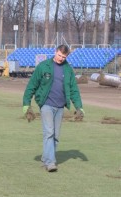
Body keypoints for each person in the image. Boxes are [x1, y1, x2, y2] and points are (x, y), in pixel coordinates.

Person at [22, 44, 84, 172]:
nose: (61, 58)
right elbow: (32, 85)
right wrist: (26, 103)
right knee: (49, 132)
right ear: (55, 52)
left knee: (55, 135)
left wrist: (79, 107)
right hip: (46, 104)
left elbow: (74, 90)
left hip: (60, 106)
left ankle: (46, 158)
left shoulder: (68, 70)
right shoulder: (43, 66)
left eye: (64, 57)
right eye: (60, 55)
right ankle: (50, 162)